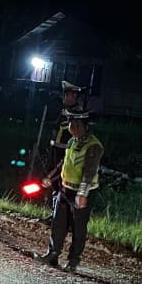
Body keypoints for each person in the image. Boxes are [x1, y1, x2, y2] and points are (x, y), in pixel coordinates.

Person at [36, 110, 103, 273]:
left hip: (81, 193)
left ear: (86, 127)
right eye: (71, 125)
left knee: (78, 228)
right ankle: (53, 254)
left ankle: (73, 262)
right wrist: (51, 178)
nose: (73, 128)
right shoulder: (72, 141)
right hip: (65, 189)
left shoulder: (94, 146)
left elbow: (89, 172)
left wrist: (82, 194)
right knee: (58, 223)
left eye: (76, 125)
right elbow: (64, 163)